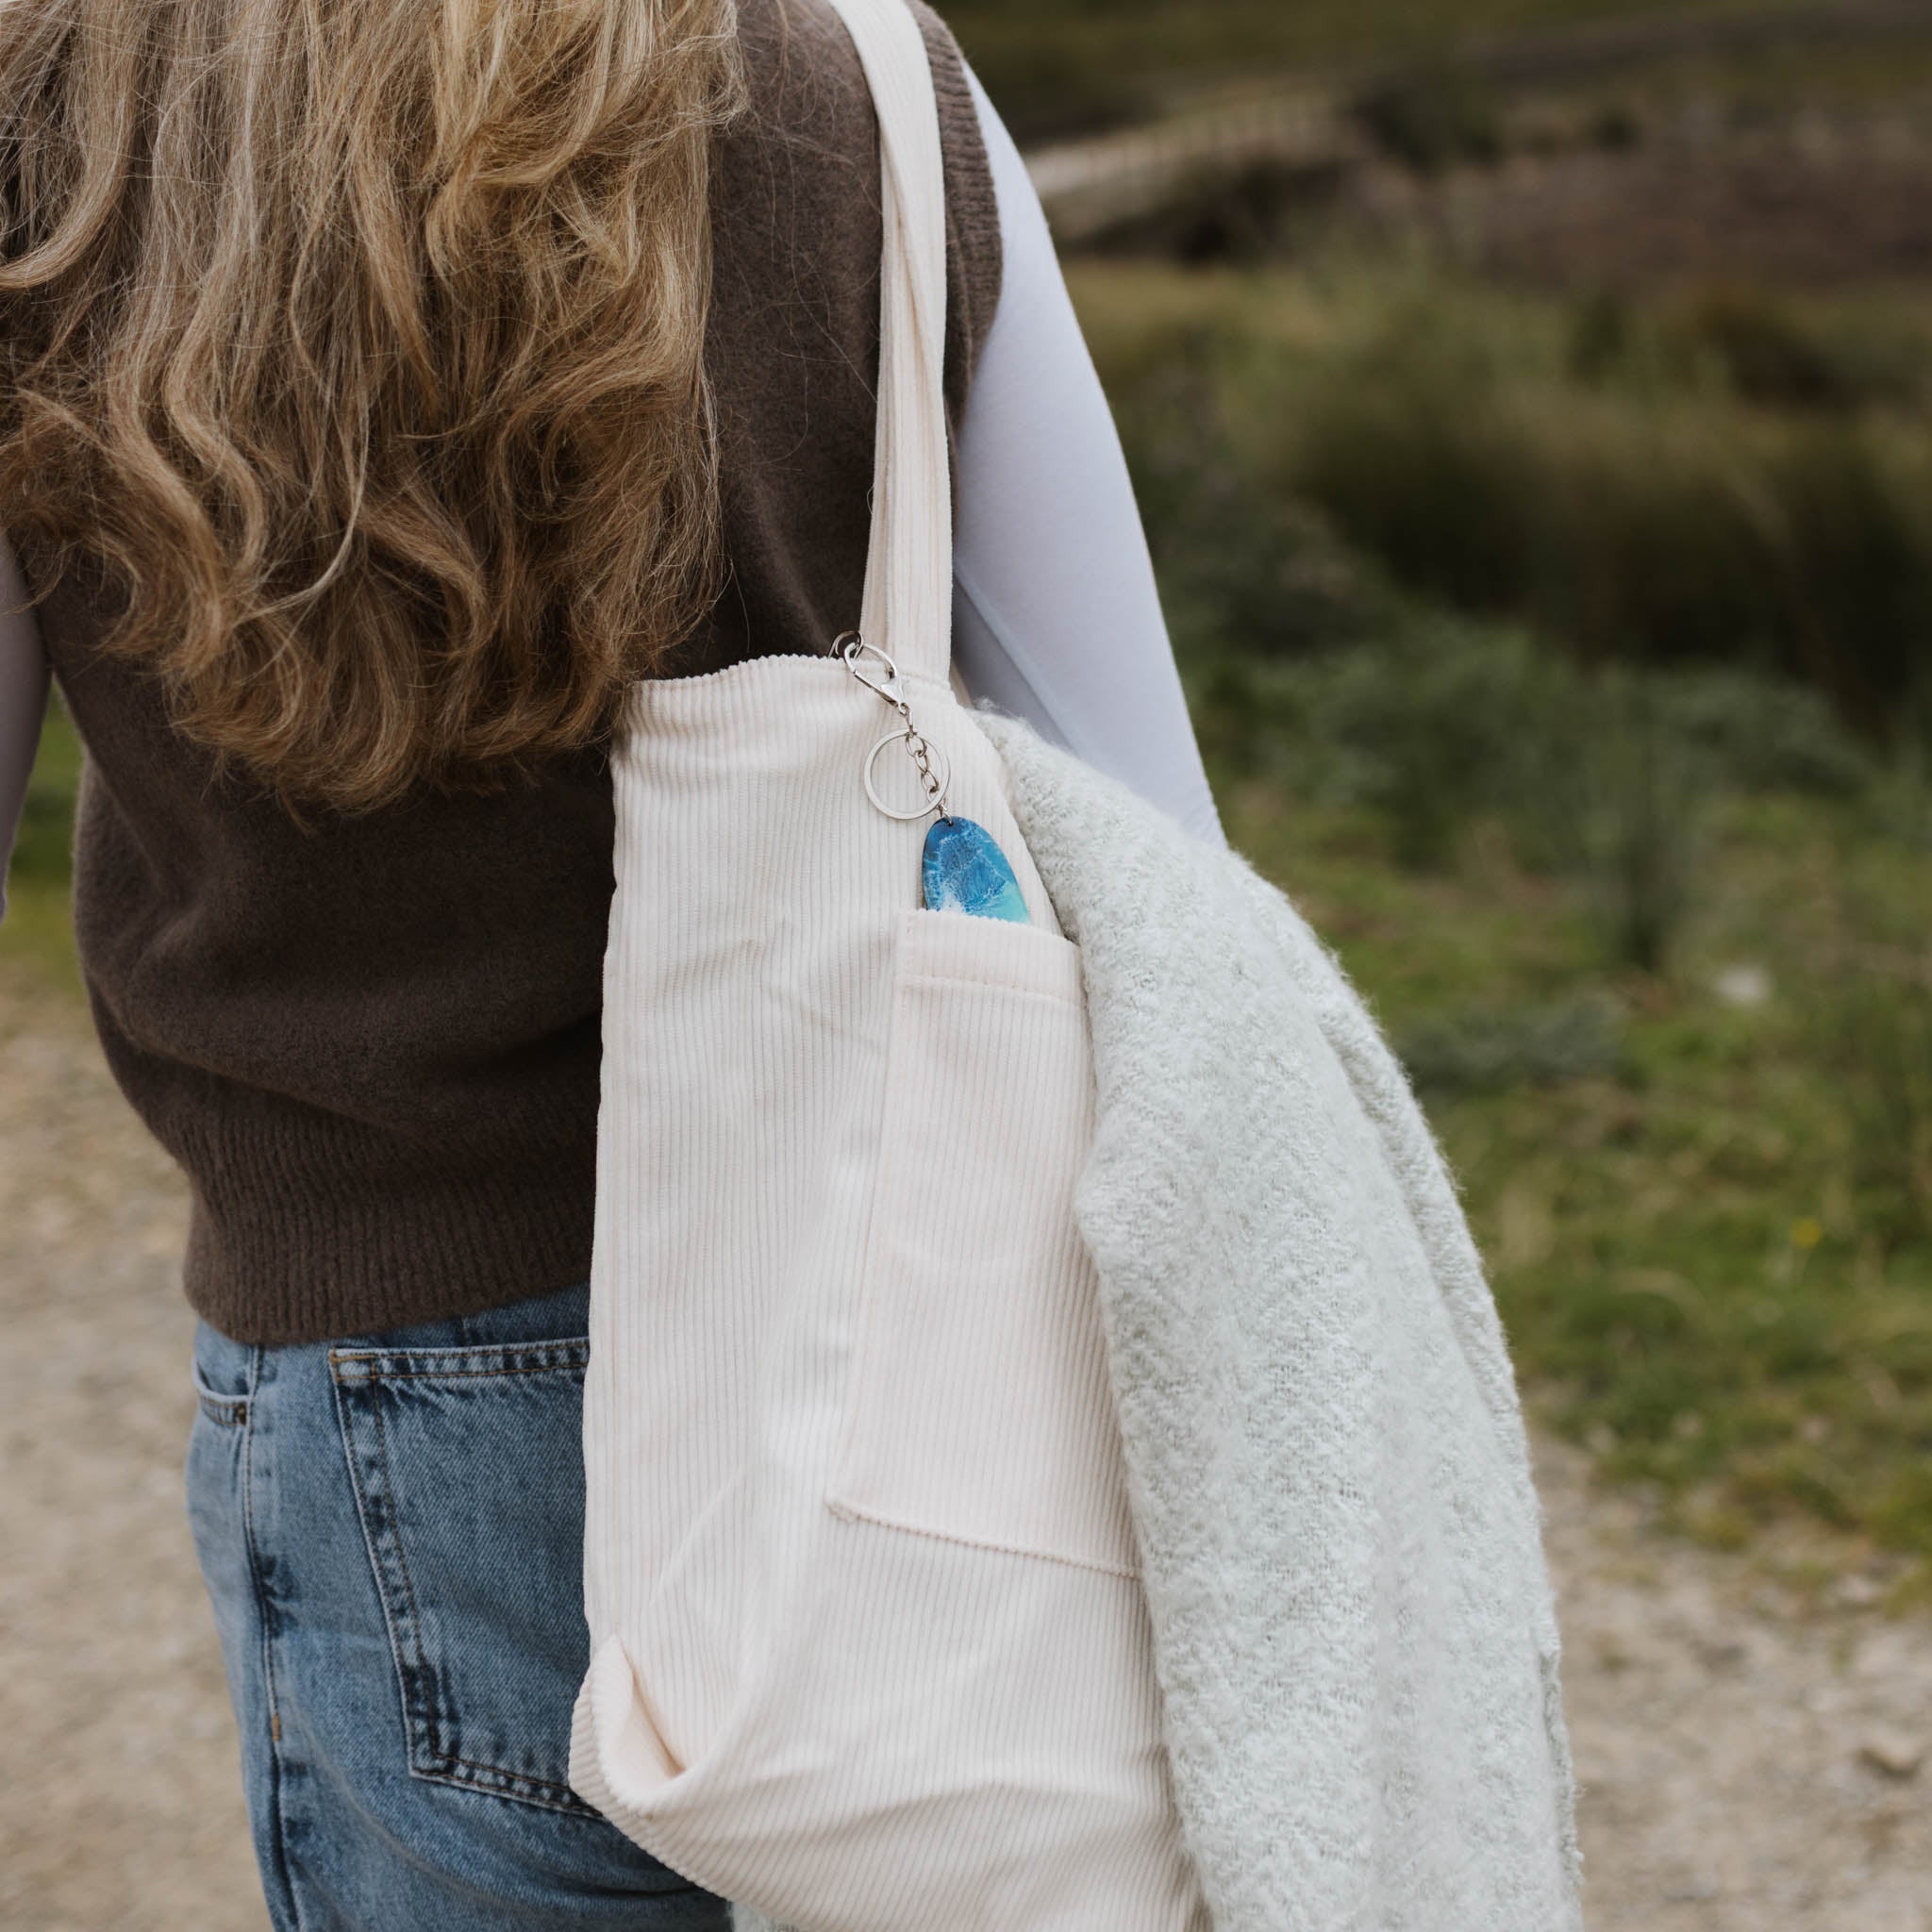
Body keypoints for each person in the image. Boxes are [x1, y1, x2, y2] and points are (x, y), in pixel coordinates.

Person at [0, 1, 1220, 1924]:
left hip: (400, 1387)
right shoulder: (873, 82)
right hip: (904, 1330)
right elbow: (1161, 849)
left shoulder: (53, 122)